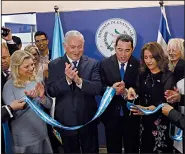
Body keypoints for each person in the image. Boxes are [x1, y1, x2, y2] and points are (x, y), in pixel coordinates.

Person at [46, 30, 102, 153]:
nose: (77, 51)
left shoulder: (93, 64)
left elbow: (97, 88)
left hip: (88, 120)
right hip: (66, 121)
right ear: (64, 46)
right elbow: (51, 91)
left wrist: (78, 81)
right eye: (72, 47)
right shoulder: (54, 65)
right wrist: (66, 80)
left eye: (80, 46)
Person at [127, 42, 175, 153]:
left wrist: (147, 110)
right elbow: (137, 89)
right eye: (146, 57)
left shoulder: (168, 75)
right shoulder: (143, 73)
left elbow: (166, 101)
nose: (148, 61)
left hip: (161, 121)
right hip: (144, 121)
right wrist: (131, 90)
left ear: (159, 57)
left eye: (152, 57)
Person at [2, 50, 53, 153]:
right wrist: (30, 99)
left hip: (42, 133)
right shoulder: (9, 86)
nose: (31, 68)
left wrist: (42, 97)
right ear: (16, 68)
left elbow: (49, 105)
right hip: (24, 138)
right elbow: (13, 114)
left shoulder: (37, 80)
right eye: (26, 67)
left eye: (32, 65)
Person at [99, 34, 140, 153]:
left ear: (132, 49)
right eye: (120, 50)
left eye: (127, 50)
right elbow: (99, 87)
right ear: (115, 48)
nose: (123, 54)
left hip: (132, 117)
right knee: (113, 150)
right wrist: (111, 90)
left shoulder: (139, 65)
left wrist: (129, 91)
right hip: (111, 117)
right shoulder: (104, 64)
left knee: (132, 149)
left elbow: (141, 89)